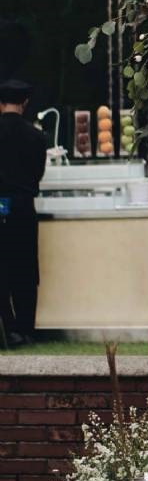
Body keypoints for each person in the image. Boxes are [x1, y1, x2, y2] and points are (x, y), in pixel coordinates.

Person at [0, 80, 47, 347]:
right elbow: (38, 174)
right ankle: (26, 329)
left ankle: (7, 329)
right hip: (24, 207)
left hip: (0, 204)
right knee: (26, 270)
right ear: (25, 103)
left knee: (2, 270)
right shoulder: (37, 136)